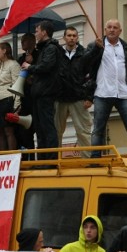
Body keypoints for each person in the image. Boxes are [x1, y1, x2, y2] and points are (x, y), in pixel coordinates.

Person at [84, 19, 127, 158]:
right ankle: (95, 159)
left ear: (120, 31)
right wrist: (95, 49)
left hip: (124, 93)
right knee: (98, 130)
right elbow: (85, 63)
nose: (112, 30)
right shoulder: (96, 45)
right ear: (105, 30)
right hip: (102, 93)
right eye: (109, 27)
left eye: (115, 27)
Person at [21, 20, 61, 160]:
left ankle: (50, 159)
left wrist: (29, 67)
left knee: (47, 127)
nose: (36, 33)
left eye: (37, 30)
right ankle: (43, 158)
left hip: (46, 93)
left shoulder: (51, 48)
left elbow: (46, 67)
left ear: (44, 32)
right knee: (40, 129)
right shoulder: (44, 48)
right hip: (39, 93)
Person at [55, 26, 92, 158]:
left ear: (77, 38)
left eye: (74, 36)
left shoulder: (84, 54)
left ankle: (88, 160)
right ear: (64, 37)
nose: (71, 38)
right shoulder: (57, 54)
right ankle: (56, 161)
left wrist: (89, 97)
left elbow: (90, 76)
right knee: (56, 132)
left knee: (83, 131)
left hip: (78, 97)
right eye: (69, 35)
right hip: (60, 97)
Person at [15, 33, 37, 158]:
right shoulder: (20, 58)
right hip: (24, 99)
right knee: (24, 131)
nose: (22, 43)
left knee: (37, 128)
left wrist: (32, 65)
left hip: (36, 98)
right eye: (22, 40)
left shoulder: (39, 55)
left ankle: (36, 159)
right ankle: (27, 158)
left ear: (32, 41)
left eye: (25, 40)